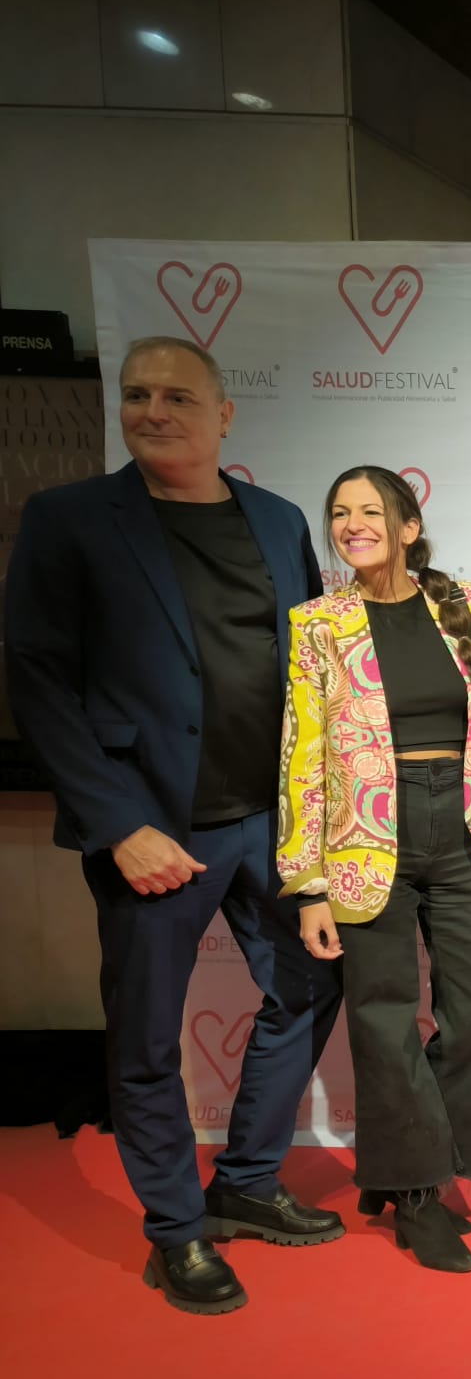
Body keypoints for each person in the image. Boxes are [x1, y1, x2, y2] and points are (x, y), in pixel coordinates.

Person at [4, 336, 343, 1314]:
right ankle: (176, 1231)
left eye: (178, 397)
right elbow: (37, 679)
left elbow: (309, 673)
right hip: (151, 831)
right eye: (137, 394)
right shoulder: (70, 519)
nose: (153, 411)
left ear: (223, 415)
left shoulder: (278, 521)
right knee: (148, 1040)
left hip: (267, 823)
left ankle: (246, 1181)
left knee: (311, 982)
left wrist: (316, 822)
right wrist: (118, 824)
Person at [277, 466, 471, 1273]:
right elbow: (301, 755)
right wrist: (308, 884)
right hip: (365, 836)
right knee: (384, 1021)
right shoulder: (317, 624)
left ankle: (402, 1166)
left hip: (464, 826)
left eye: (370, 511)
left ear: (408, 527)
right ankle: (418, 1194)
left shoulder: (470, 606)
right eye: (339, 512)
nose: (351, 524)